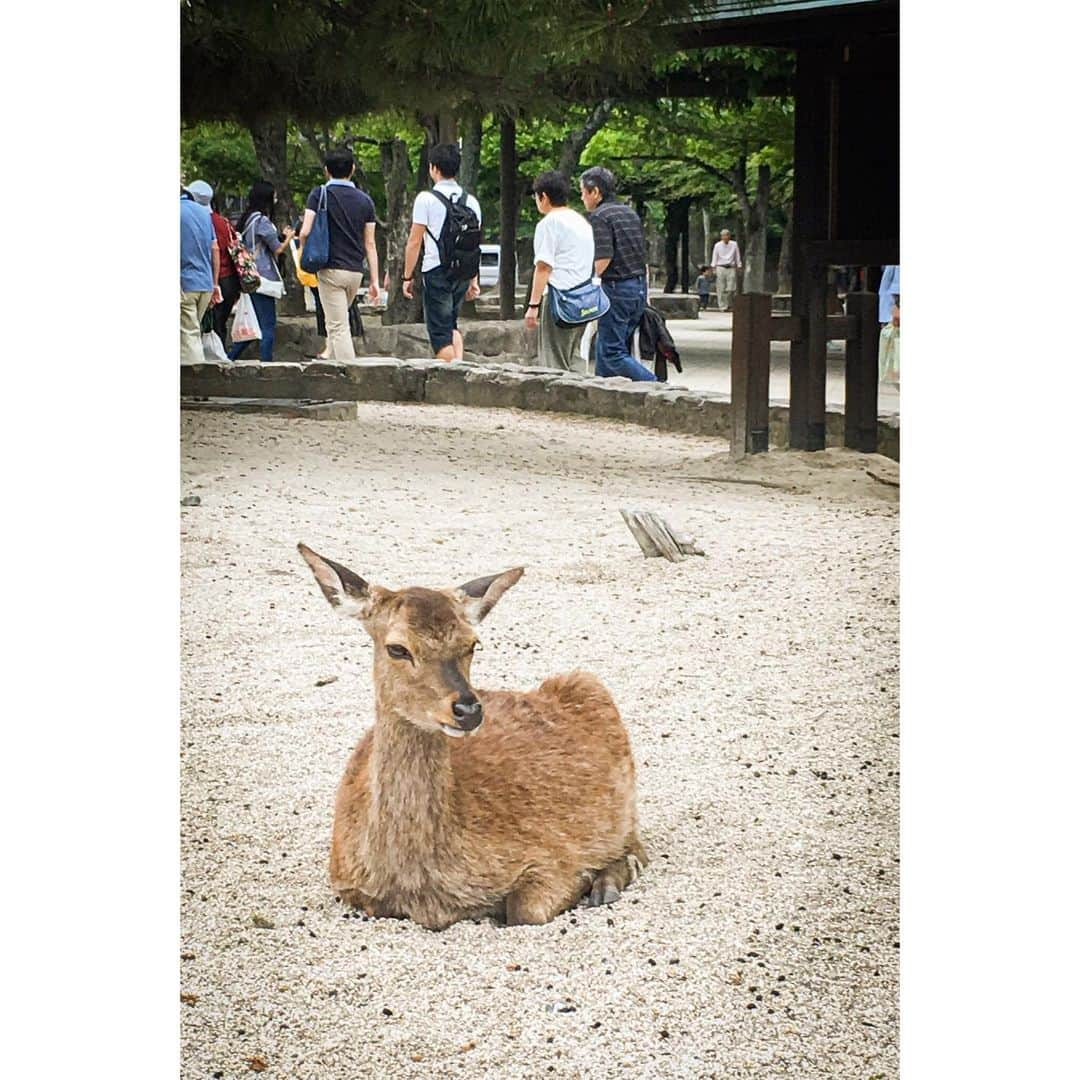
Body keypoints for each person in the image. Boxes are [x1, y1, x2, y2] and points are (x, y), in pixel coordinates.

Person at [402, 143, 482, 362]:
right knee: (451, 325)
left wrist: (407, 276)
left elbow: (414, 241)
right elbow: (473, 243)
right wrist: (473, 279)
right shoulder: (472, 202)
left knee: (439, 334)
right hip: (462, 273)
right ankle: (460, 370)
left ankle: (448, 381)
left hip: (436, 271)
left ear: (433, 168)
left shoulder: (426, 200)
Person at [299, 148, 379, 362]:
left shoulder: (319, 194)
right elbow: (370, 243)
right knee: (335, 323)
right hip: (355, 272)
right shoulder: (365, 201)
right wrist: (375, 281)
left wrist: (306, 251)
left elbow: (305, 231)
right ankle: (332, 374)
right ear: (353, 169)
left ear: (326, 171)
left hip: (330, 269)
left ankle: (350, 380)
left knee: (338, 327)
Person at [579, 166, 656, 382]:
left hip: (616, 288)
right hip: (638, 288)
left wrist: (584, 282)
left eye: (583, 191)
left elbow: (603, 258)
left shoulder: (600, 217)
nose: (582, 196)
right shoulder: (629, 213)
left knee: (612, 353)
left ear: (595, 192)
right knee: (609, 351)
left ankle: (656, 385)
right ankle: (602, 395)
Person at [523, 170, 596, 373]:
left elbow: (544, 267)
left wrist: (533, 305)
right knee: (574, 357)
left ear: (544, 196)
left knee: (554, 362)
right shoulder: (582, 222)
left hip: (559, 300)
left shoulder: (549, 224)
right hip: (583, 298)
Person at [227, 181, 294, 362]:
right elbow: (277, 249)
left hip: (250, 276)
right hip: (263, 277)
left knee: (252, 323)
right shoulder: (262, 220)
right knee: (267, 325)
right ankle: (266, 364)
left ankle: (229, 358)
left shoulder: (247, 219)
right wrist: (288, 238)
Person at [187, 183, 241, 353]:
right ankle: (221, 356)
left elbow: (212, 250)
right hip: (229, 281)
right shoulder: (223, 221)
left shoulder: (197, 221)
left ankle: (206, 361)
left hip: (208, 279)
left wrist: (214, 283)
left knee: (204, 325)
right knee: (219, 325)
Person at [180, 186, 221, 365]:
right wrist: (214, 284)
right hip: (205, 284)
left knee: (189, 337)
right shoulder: (205, 215)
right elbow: (215, 249)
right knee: (191, 333)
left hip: (185, 284)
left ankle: (197, 386)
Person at [710, 229, 742, 311]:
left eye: (727, 235)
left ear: (729, 236)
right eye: (723, 235)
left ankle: (729, 304)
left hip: (731, 267)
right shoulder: (717, 245)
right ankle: (722, 306)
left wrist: (739, 265)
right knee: (721, 288)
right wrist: (713, 268)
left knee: (731, 288)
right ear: (721, 237)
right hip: (720, 267)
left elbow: (737, 256)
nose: (725, 237)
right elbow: (715, 256)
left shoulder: (734, 244)